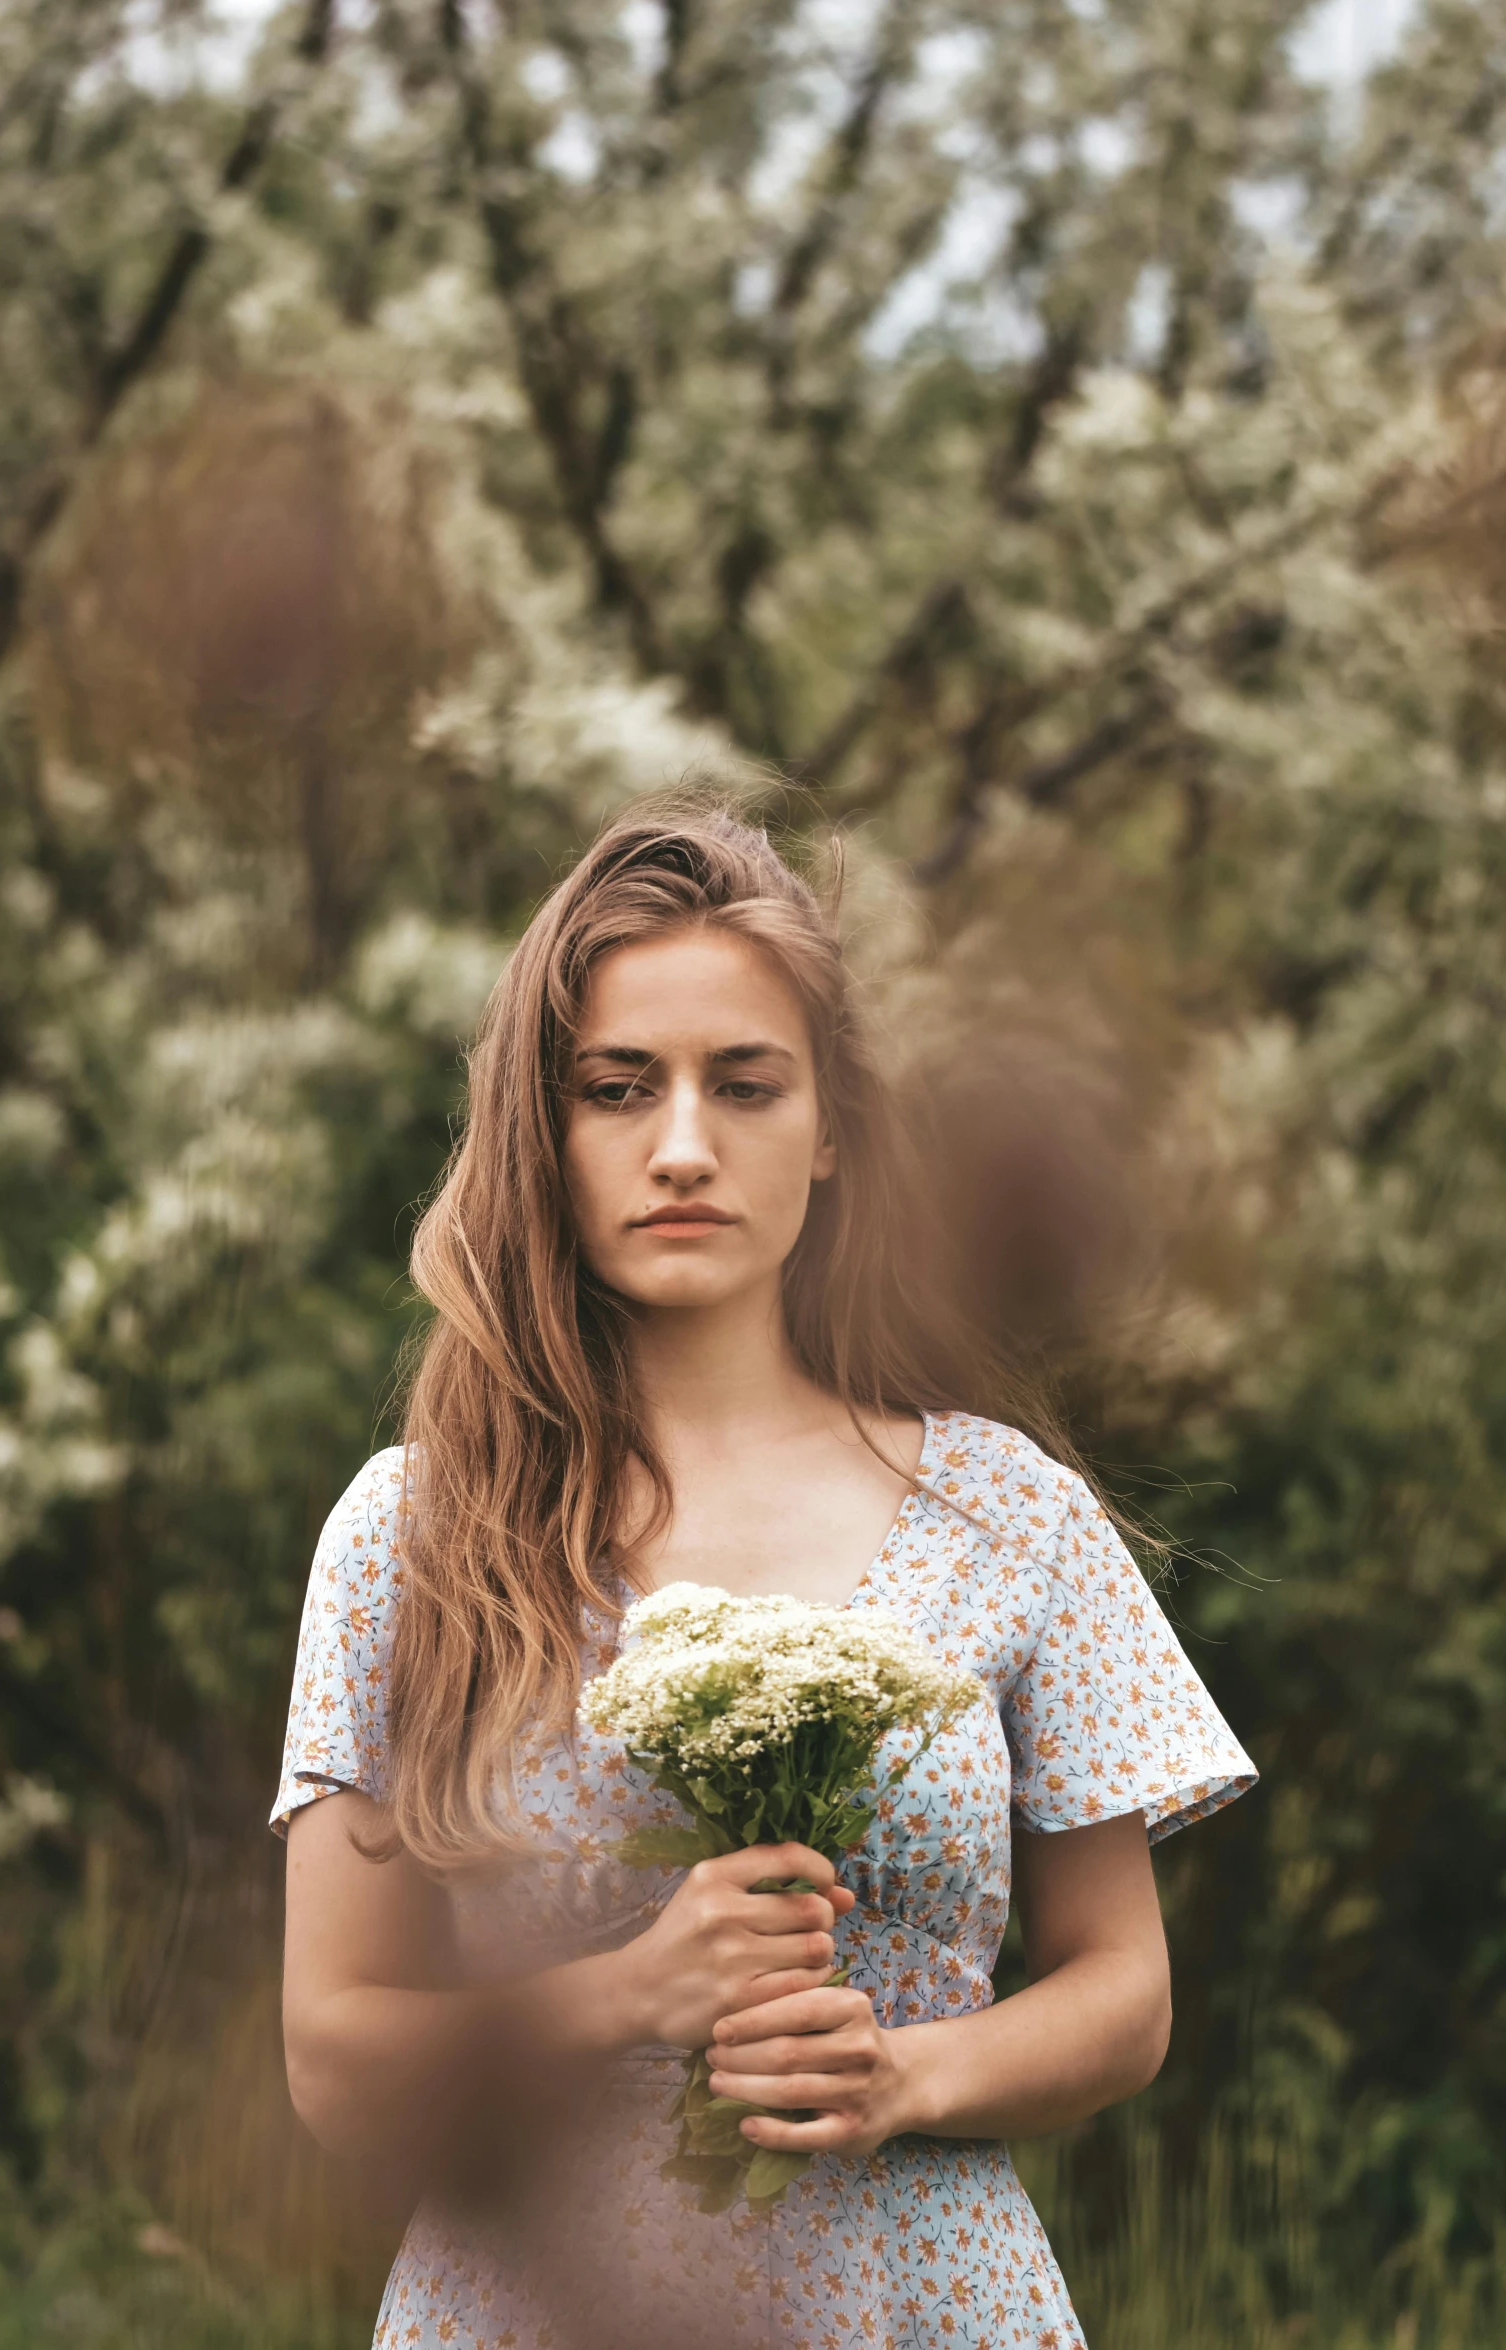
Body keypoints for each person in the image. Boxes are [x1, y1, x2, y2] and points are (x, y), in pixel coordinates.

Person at [272, 801, 1255, 2350]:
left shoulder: (1009, 1512)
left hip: (928, 2298)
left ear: (831, 1126)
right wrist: (638, 1991)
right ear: (547, 1127)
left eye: (744, 1083)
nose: (681, 1145)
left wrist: (908, 2074)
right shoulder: (415, 1533)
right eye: (616, 1088)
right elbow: (331, 2060)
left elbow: (1122, 1988)